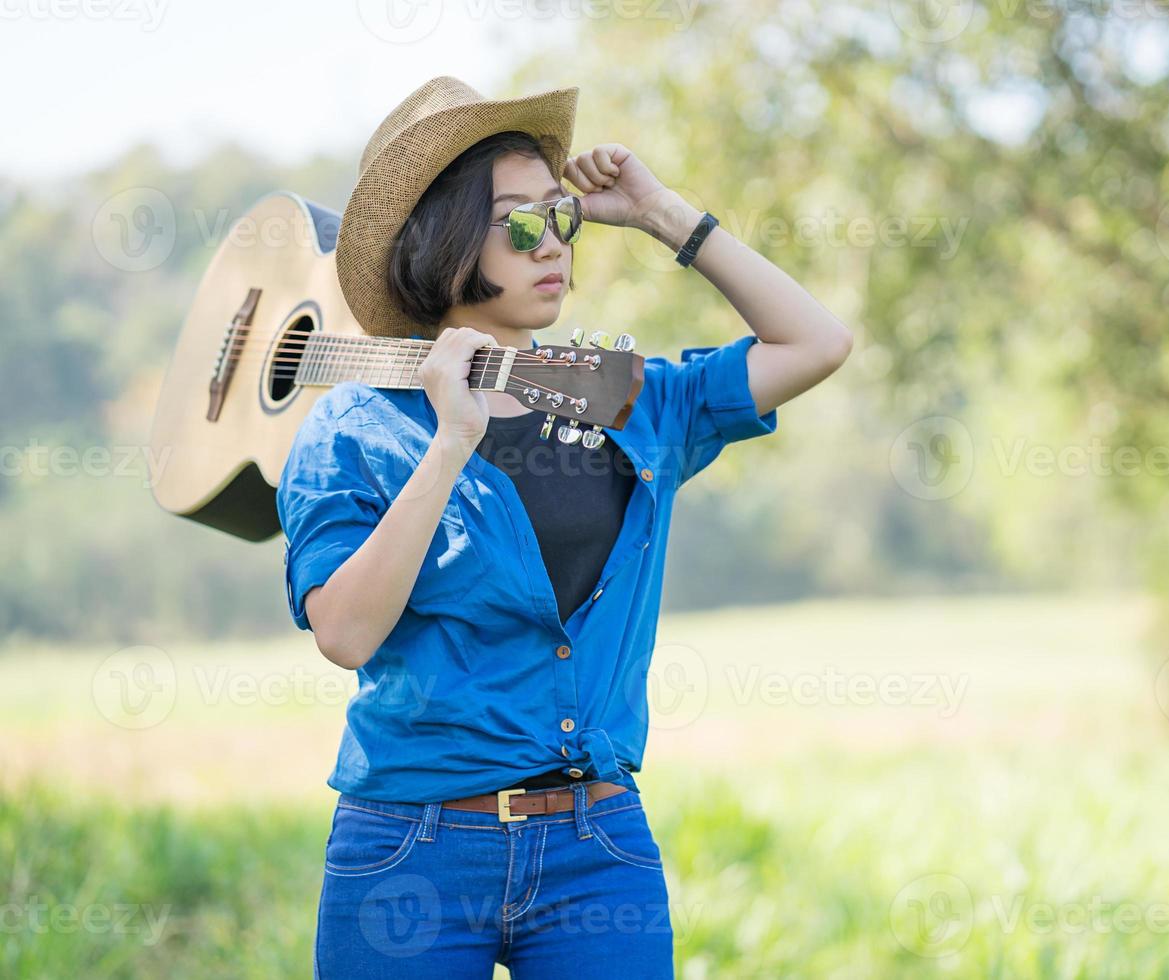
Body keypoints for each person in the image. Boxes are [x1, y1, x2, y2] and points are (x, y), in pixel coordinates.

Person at [277, 76, 853, 978]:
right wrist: (454, 440)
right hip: (410, 853)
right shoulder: (356, 429)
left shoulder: (619, 397)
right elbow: (344, 632)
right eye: (518, 225)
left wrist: (664, 215)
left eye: (561, 219)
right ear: (443, 243)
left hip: (598, 848)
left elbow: (815, 343)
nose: (552, 244)